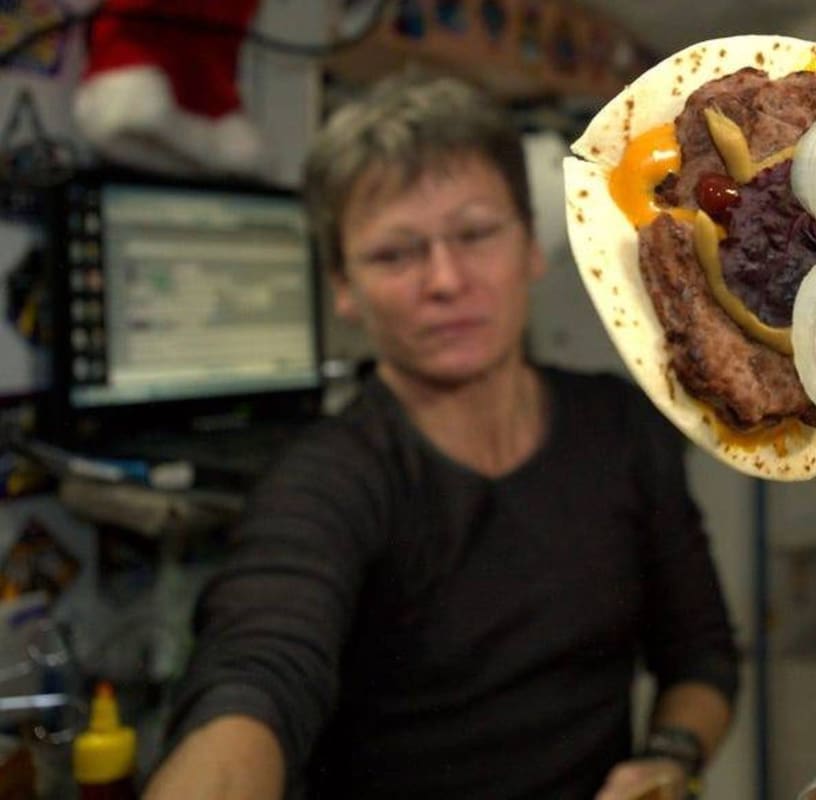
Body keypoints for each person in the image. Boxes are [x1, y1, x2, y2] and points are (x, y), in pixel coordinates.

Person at [143, 73, 739, 800]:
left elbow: (702, 654)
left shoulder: (621, 428)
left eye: (476, 234)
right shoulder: (326, 482)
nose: (446, 280)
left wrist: (669, 760)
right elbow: (254, 673)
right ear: (342, 286)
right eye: (395, 254)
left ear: (531, 246)